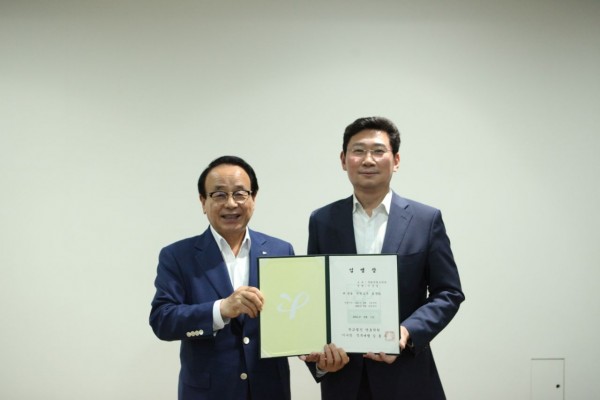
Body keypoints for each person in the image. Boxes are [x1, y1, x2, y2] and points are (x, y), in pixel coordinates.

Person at [304, 117, 465, 400]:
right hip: (344, 378)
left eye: (378, 151)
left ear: (396, 160)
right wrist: (319, 358)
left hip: (407, 377)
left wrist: (406, 332)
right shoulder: (322, 220)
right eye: (358, 151)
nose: (368, 160)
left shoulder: (425, 220)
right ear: (343, 160)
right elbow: (315, 296)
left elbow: (448, 292)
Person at [150, 155, 294, 400]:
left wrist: (317, 356)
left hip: (270, 390)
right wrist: (221, 309)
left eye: (240, 194)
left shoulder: (281, 250)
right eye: (219, 195)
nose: (231, 203)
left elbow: (293, 315)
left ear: (253, 198)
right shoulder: (178, 256)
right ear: (203, 202)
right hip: (209, 393)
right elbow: (162, 320)